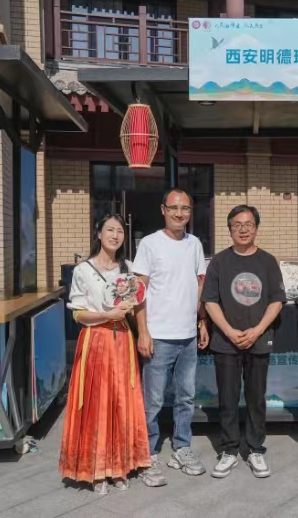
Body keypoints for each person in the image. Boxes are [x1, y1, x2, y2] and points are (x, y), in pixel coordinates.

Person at [59, 214, 150, 494]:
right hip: (96, 340)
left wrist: (142, 332)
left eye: (119, 231)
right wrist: (106, 315)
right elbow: (78, 314)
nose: (115, 235)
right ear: (98, 233)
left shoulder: (129, 268)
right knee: (97, 402)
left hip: (122, 340)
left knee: (122, 401)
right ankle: (96, 470)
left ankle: (120, 466)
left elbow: (138, 303)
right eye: (109, 230)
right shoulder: (83, 270)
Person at [202, 205, 286, 479]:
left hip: (258, 340)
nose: (243, 229)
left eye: (248, 224)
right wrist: (228, 331)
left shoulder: (268, 261)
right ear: (229, 229)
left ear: (256, 228)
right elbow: (210, 300)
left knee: (256, 397)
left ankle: (255, 449)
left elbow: (276, 300)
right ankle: (229, 450)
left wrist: (257, 330)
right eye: (237, 224)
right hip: (225, 341)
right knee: (227, 398)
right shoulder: (219, 262)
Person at [133, 188, 209, 487]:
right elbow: (139, 291)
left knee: (186, 397)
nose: (180, 214)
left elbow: (199, 285)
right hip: (159, 336)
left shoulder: (194, 244)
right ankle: (148, 453)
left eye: (185, 208)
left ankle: (181, 447)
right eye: (174, 208)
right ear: (163, 209)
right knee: (152, 400)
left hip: (188, 335)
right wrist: (143, 331)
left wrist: (201, 321)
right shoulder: (150, 244)